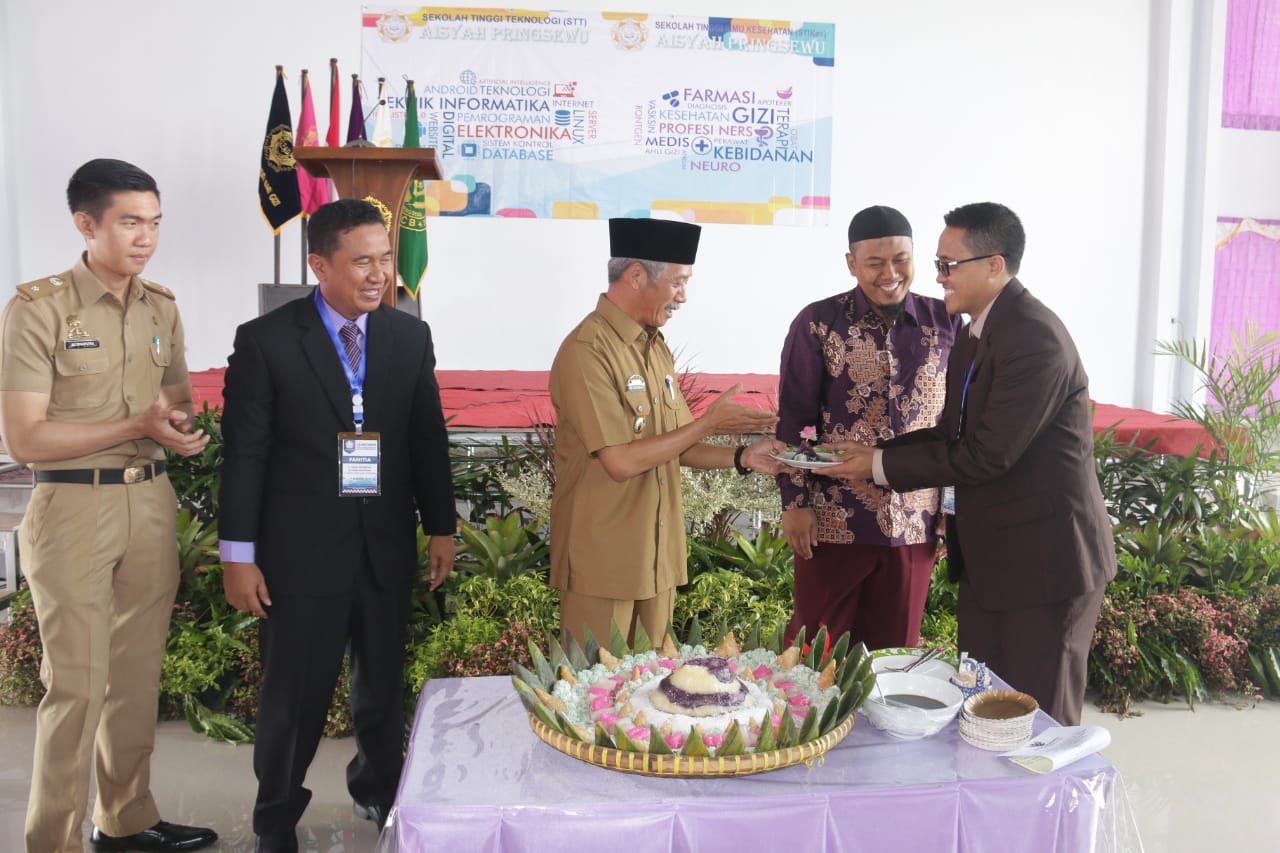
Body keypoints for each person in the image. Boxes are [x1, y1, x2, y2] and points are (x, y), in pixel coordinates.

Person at [218, 199, 456, 853]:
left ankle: (378, 786)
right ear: (319, 264)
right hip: (299, 556)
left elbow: (425, 439)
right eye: (362, 261)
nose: (379, 274)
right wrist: (238, 555)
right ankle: (275, 816)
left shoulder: (409, 335)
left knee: (382, 684)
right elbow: (245, 454)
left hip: (382, 546)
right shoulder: (267, 341)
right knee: (293, 695)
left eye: (385, 259)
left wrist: (441, 527)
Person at [822, 202, 1116, 725]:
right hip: (996, 562)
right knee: (983, 710)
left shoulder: (1034, 338)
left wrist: (879, 467)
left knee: (1034, 721)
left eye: (947, 265)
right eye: (937, 264)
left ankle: (1037, 811)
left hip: (1044, 566)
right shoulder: (978, 331)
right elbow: (952, 434)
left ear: (994, 265)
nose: (937, 278)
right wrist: (874, 455)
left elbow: (987, 454)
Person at [0, 159, 217, 853]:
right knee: (77, 687)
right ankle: (52, 840)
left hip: (149, 503)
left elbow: (176, 400)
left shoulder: (161, 305)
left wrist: (179, 429)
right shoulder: (40, 307)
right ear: (86, 224)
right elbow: (27, 438)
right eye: (130, 222)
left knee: (134, 677)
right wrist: (135, 426)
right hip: (70, 511)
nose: (146, 237)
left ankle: (125, 818)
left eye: (154, 222)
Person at [549, 217, 786, 647]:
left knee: (648, 696)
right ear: (637, 275)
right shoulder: (587, 351)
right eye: (678, 282)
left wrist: (742, 457)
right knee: (596, 697)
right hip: (603, 564)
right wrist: (709, 422)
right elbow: (620, 461)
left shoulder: (653, 346)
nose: (683, 296)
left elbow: (677, 446)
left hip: (655, 560)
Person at [776, 205, 960, 650]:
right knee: (815, 650)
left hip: (916, 520)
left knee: (894, 655)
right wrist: (795, 501)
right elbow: (795, 418)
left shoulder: (948, 323)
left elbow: (960, 429)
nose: (889, 273)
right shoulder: (818, 323)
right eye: (875, 263)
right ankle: (814, 722)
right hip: (834, 520)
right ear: (852, 263)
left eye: (901, 260)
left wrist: (953, 509)